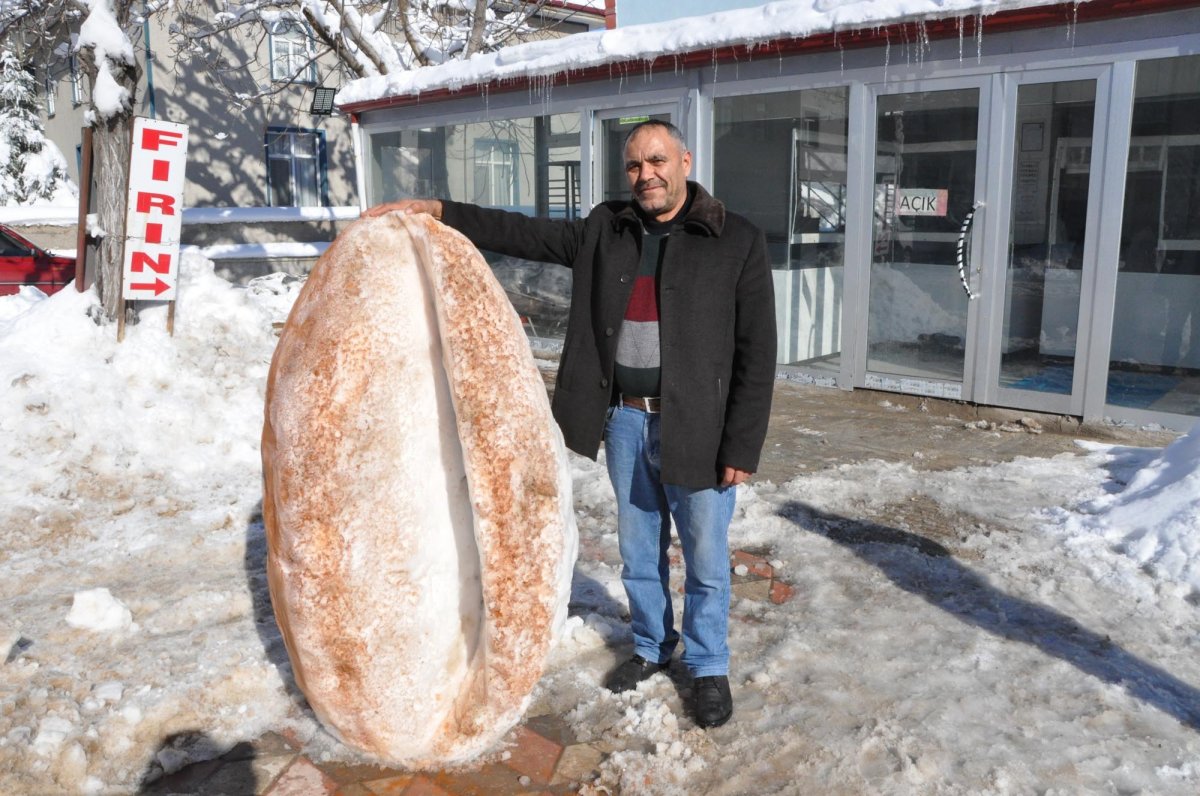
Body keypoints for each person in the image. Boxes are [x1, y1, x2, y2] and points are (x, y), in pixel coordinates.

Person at [364, 120, 776, 729]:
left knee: (707, 559)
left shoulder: (733, 238)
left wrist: (742, 441)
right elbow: (522, 233)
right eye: (635, 166)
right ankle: (650, 647)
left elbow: (757, 349)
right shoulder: (606, 229)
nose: (646, 176)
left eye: (657, 161)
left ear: (685, 160)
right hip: (627, 425)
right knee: (639, 551)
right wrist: (440, 209)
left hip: (701, 429)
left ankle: (709, 665)